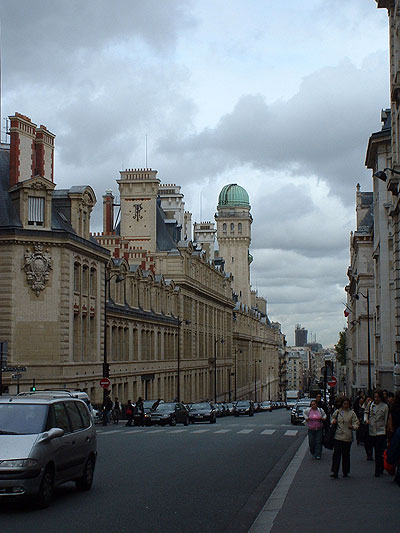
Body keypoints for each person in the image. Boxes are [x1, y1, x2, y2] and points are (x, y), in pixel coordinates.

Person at [330, 397, 359, 479]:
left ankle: (345, 471)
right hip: (338, 436)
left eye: (347, 404)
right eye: (344, 404)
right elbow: (332, 419)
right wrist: (333, 421)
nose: (346, 405)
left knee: (346, 455)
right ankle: (335, 471)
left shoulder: (352, 413)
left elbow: (356, 423)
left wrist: (353, 427)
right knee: (336, 455)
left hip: (347, 436)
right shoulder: (338, 412)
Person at [365, 389, 389, 477]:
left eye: (378, 397)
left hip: (381, 430)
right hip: (372, 430)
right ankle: (379, 467)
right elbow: (366, 412)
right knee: (376, 450)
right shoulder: (371, 404)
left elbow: (386, 419)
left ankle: (378, 470)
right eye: (375, 397)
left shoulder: (385, 406)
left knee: (379, 451)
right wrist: (366, 420)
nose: (376, 399)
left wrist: (385, 429)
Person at [362, 395, 373, 460]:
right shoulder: (363, 406)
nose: (369, 401)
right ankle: (368, 453)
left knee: (370, 441)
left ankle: (370, 452)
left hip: (372, 425)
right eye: (367, 400)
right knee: (366, 441)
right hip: (365, 426)